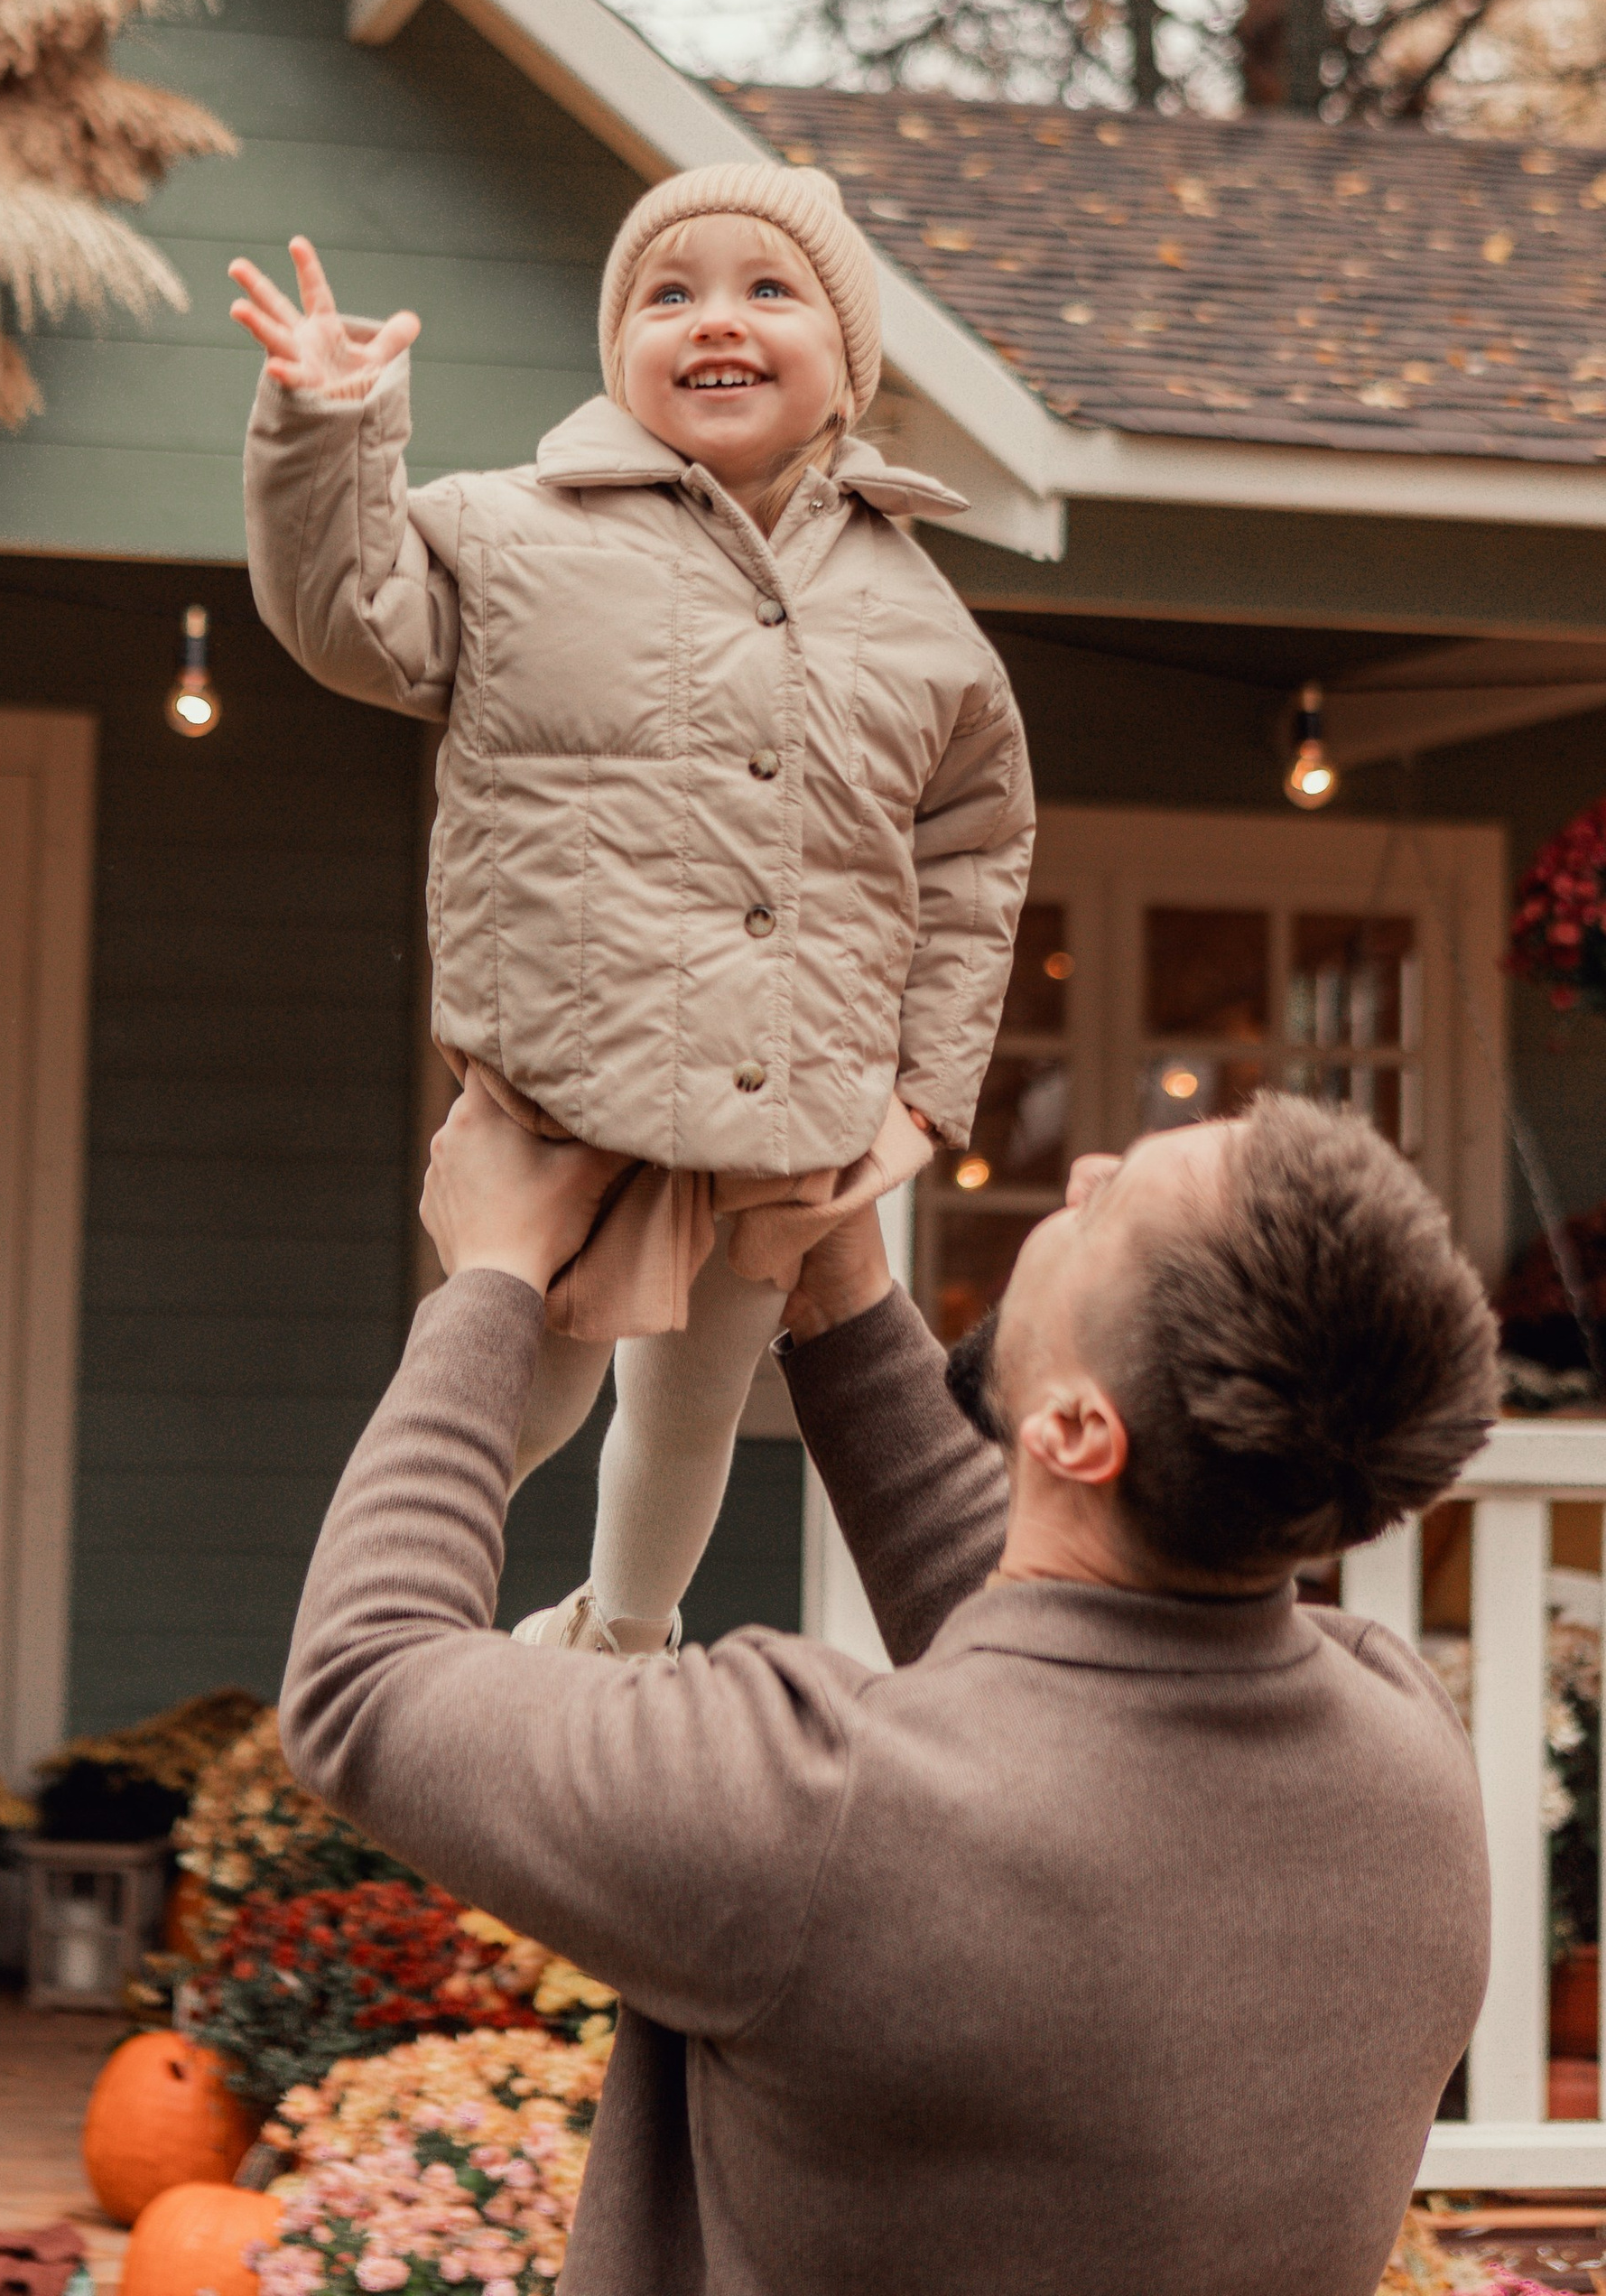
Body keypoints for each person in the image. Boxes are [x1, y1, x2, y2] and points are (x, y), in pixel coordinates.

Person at [280, 1083, 1498, 2296]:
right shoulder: (1408, 1767)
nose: (1078, 1174)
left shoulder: (825, 1808)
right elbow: (1055, 1657)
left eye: (1112, 1199)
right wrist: (841, 1293)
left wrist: (490, 1274)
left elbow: (363, 1673)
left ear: (1077, 1431)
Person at [232, 160, 1033, 1657]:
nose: (713, 319)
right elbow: (347, 616)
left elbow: (976, 857)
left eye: (765, 289)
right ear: (619, 353)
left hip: (783, 1095)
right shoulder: (511, 531)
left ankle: (625, 1629)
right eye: (670, 293)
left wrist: (924, 1097)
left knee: (697, 1397)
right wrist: (326, 429)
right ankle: (378, 1631)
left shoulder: (920, 613)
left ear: (846, 366)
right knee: (512, 1381)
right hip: (565, 1079)